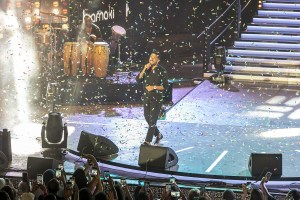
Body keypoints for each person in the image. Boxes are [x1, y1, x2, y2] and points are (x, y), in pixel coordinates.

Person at [136, 51, 168, 145]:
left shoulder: (162, 71)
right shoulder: (146, 69)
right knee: (147, 117)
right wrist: (144, 69)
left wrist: (153, 87)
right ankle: (158, 134)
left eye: (154, 57)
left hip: (156, 98)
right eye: (150, 56)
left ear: (158, 60)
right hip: (146, 97)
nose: (151, 59)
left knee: (153, 120)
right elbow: (138, 80)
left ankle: (147, 141)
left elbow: (165, 86)